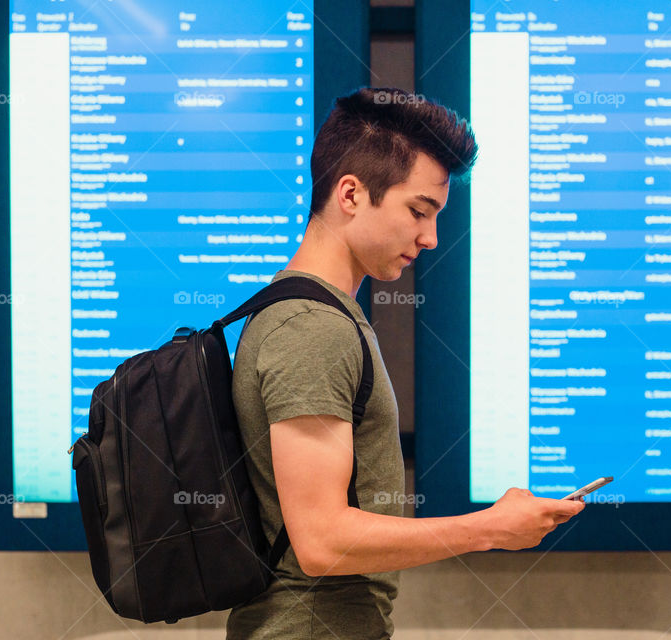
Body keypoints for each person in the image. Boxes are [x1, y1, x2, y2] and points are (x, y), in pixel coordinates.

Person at [226, 87, 585, 639]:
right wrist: (488, 528)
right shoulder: (311, 329)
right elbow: (320, 541)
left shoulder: (315, 315)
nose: (431, 237)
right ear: (350, 194)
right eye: (418, 211)